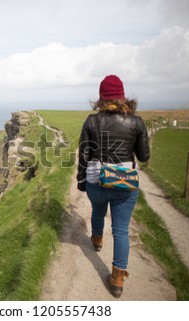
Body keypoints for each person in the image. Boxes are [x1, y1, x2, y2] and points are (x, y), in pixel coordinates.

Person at [76, 75, 150, 298]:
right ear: (122, 96)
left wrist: (81, 180)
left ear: (100, 97)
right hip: (125, 184)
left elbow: (84, 153)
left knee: (98, 210)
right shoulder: (136, 122)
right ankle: (117, 279)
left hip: (97, 182)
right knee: (121, 230)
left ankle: (96, 240)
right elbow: (144, 156)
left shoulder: (91, 121)